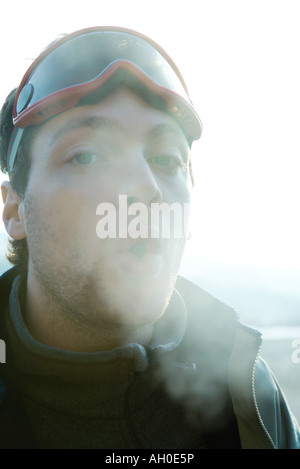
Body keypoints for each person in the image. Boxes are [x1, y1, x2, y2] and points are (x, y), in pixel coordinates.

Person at [0, 26, 298, 450]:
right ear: (15, 211)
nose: (144, 187)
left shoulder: (247, 394)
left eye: (165, 159)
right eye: (86, 156)